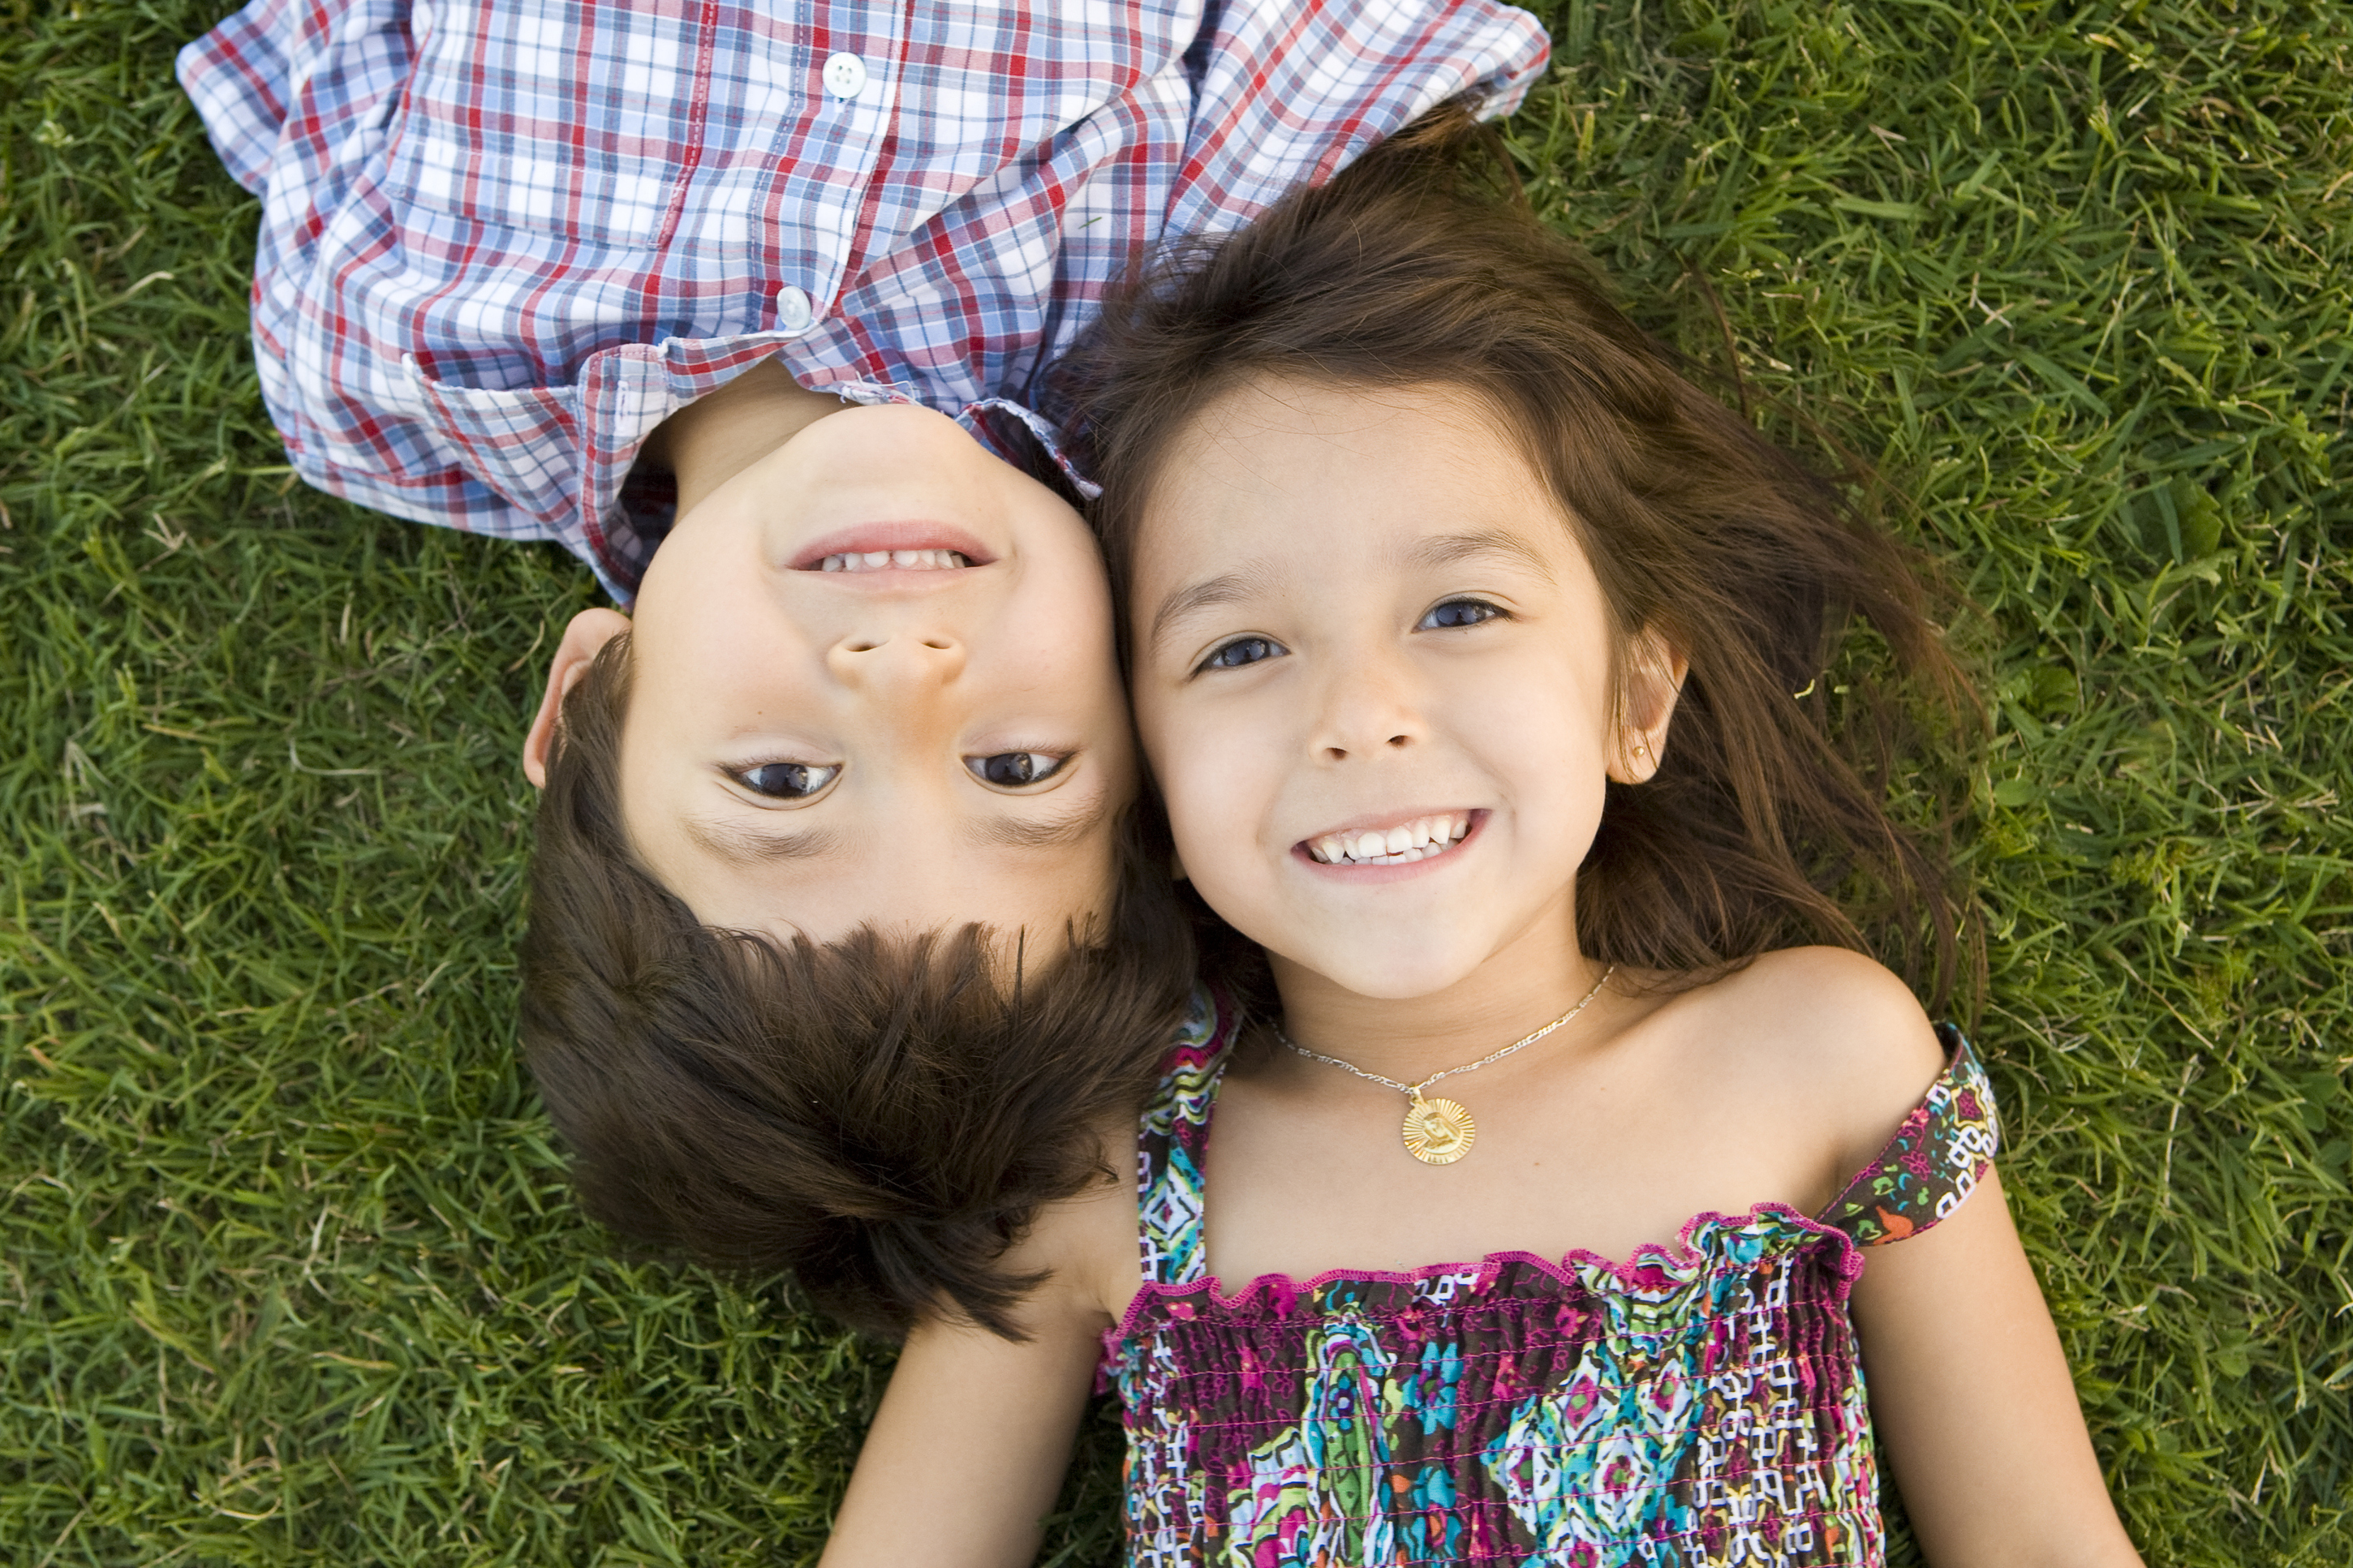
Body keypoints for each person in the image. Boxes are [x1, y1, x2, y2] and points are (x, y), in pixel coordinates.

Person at [818, 115, 2146, 1564]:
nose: (1362, 716)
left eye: (1459, 611)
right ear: (1149, 771)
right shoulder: (1112, 1180)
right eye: (1242, 646)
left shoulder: (1820, 1056)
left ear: (1635, 696)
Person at [175, 0, 1549, 1331]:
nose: (906, 666)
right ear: (1143, 712)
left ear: (591, 689)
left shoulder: (390, 373)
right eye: (1018, 767)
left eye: (781, 779)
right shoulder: (1174, 279)